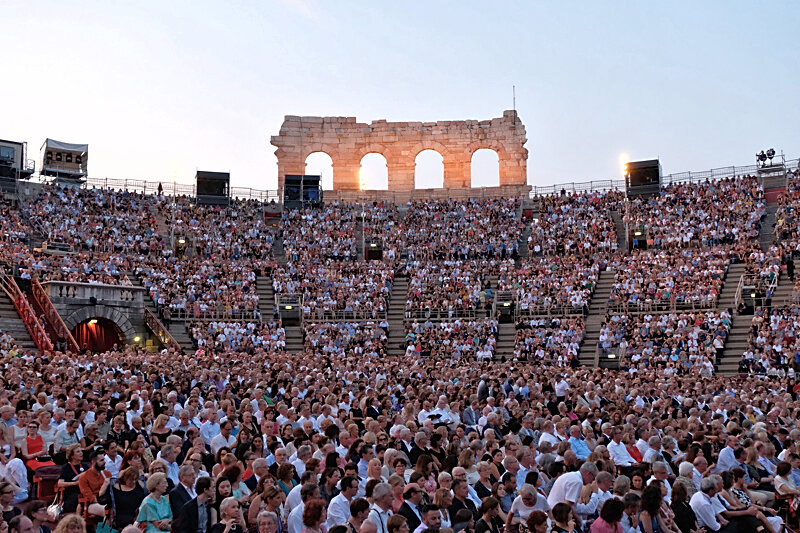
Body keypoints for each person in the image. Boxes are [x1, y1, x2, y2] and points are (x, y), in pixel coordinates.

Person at [58, 445, 87, 514]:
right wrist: (74, 483)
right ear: (72, 456)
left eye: (81, 451)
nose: (81, 453)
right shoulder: (66, 467)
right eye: (78, 452)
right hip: (72, 493)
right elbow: (60, 483)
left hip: (85, 490)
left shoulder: (85, 466)